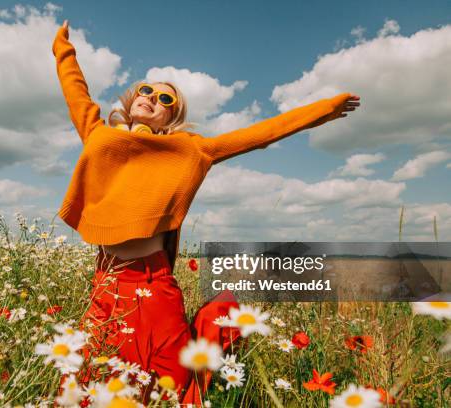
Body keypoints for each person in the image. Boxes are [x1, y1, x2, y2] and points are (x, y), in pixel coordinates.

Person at [52, 19, 360, 405]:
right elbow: (75, 92)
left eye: (166, 100)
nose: (153, 98)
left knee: (169, 386)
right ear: (132, 100)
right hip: (107, 283)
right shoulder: (100, 135)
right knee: (91, 383)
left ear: (171, 117)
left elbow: (260, 134)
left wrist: (322, 111)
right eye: (147, 90)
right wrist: (62, 48)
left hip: (154, 286)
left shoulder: (189, 150)